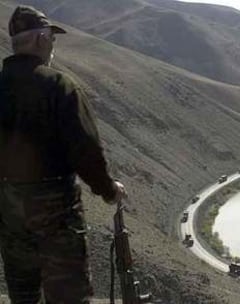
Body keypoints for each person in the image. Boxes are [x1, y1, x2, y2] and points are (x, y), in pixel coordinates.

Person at [0, 5, 126, 303]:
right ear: (42, 39)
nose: (53, 46)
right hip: (55, 212)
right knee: (69, 294)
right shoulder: (59, 86)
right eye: (52, 40)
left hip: (8, 212)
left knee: (23, 293)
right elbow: (86, 152)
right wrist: (109, 191)